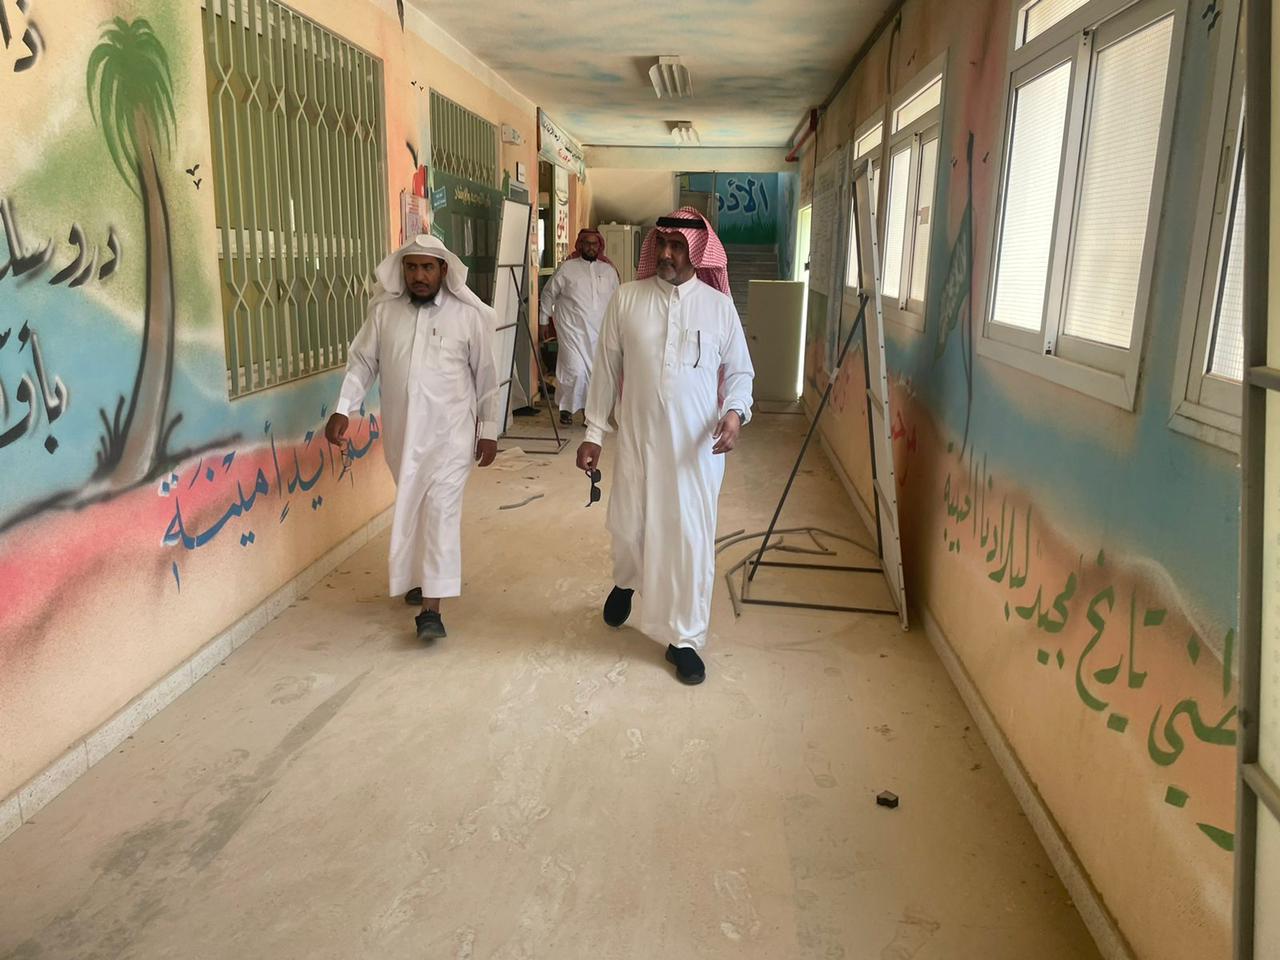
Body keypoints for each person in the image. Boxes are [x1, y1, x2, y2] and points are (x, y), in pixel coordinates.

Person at [576, 208, 754, 685]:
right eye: (663, 244)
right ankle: (626, 581)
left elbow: (740, 371)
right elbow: (605, 368)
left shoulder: (718, 308)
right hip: (638, 441)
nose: (668, 254)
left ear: (698, 251)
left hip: (695, 452)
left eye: (679, 246)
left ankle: (684, 638)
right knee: (630, 524)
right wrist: (594, 433)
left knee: (689, 541)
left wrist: (735, 412)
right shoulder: (627, 299)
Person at [325, 234, 500, 642]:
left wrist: (488, 429)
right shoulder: (385, 313)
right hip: (403, 437)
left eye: (427, 267)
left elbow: (486, 378)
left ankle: (431, 610)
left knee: (440, 511)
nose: (419, 276)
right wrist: (343, 408)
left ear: (443, 270)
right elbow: (362, 363)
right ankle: (424, 577)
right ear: (402, 270)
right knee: (417, 507)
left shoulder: (467, 316)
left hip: (452, 436)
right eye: (412, 267)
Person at [539, 228, 620, 426]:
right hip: (572, 332)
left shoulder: (608, 271)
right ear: (580, 245)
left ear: (599, 246)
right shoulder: (567, 268)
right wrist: (543, 320)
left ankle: (588, 414)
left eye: (594, 244)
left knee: (594, 375)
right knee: (575, 371)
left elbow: (619, 300)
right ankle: (567, 407)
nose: (591, 247)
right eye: (587, 243)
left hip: (599, 333)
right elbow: (548, 293)